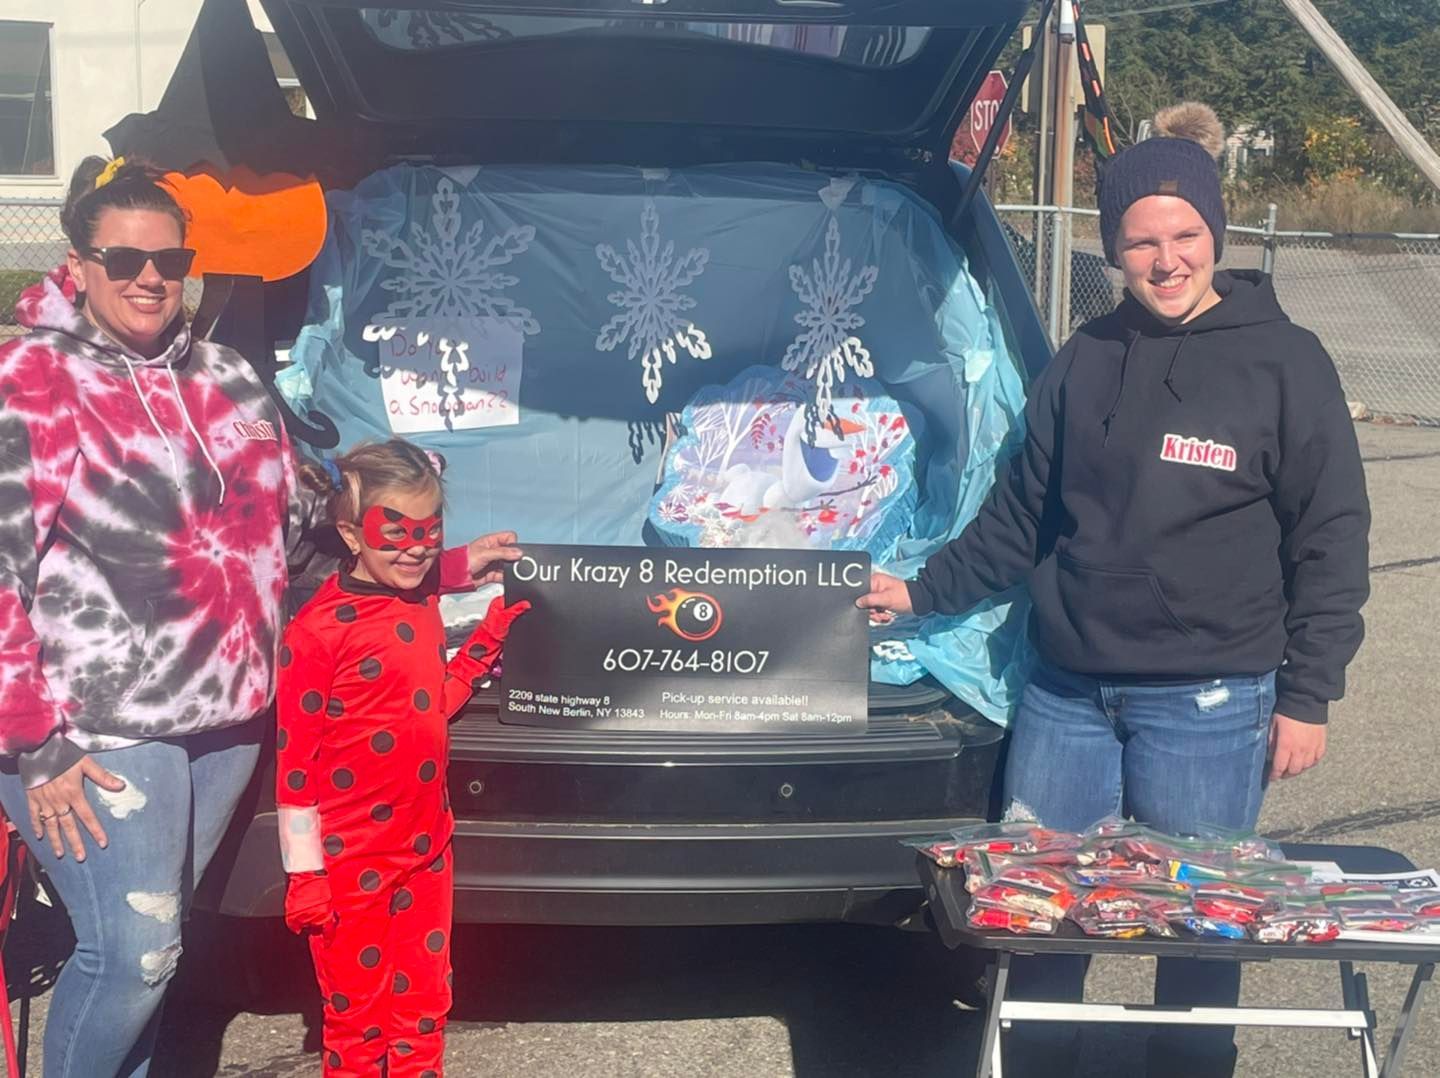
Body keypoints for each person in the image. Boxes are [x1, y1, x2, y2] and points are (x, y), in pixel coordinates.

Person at [859, 103, 1370, 1077]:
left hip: (1210, 703)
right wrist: (919, 591)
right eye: (1141, 241)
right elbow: (1019, 519)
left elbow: (1333, 537)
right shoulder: (1084, 362)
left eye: (1184, 235)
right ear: (1114, 250)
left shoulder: (1285, 361)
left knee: (1194, 925)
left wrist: (1310, 693)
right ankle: (1047, 1060)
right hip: (1067, 699)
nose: (1166, 258)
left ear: (1215, 234)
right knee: (1046, 917)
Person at [0, 157, 519, 1078]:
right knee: (132, 958)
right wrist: (32, 745)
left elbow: (317, 524)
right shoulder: (31, 378)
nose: (149, 277)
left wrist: (435, 564)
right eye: (122, 260)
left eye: (170, 258)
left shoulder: (230, 379)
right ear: (78, 267)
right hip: (100, 729)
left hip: (229, 723)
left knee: (160, 958)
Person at [276, 440, 529, 1078]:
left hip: (426, 849)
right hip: (349, 867)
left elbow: (429, 706)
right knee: (357, 1023)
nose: (415, 548)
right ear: (349, 533)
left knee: (424, 1005)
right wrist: (304, 873)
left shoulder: (419, 603)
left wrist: (484, 643)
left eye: (430, 531)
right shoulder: (317, 633)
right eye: (395, 533)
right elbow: (295, 767)